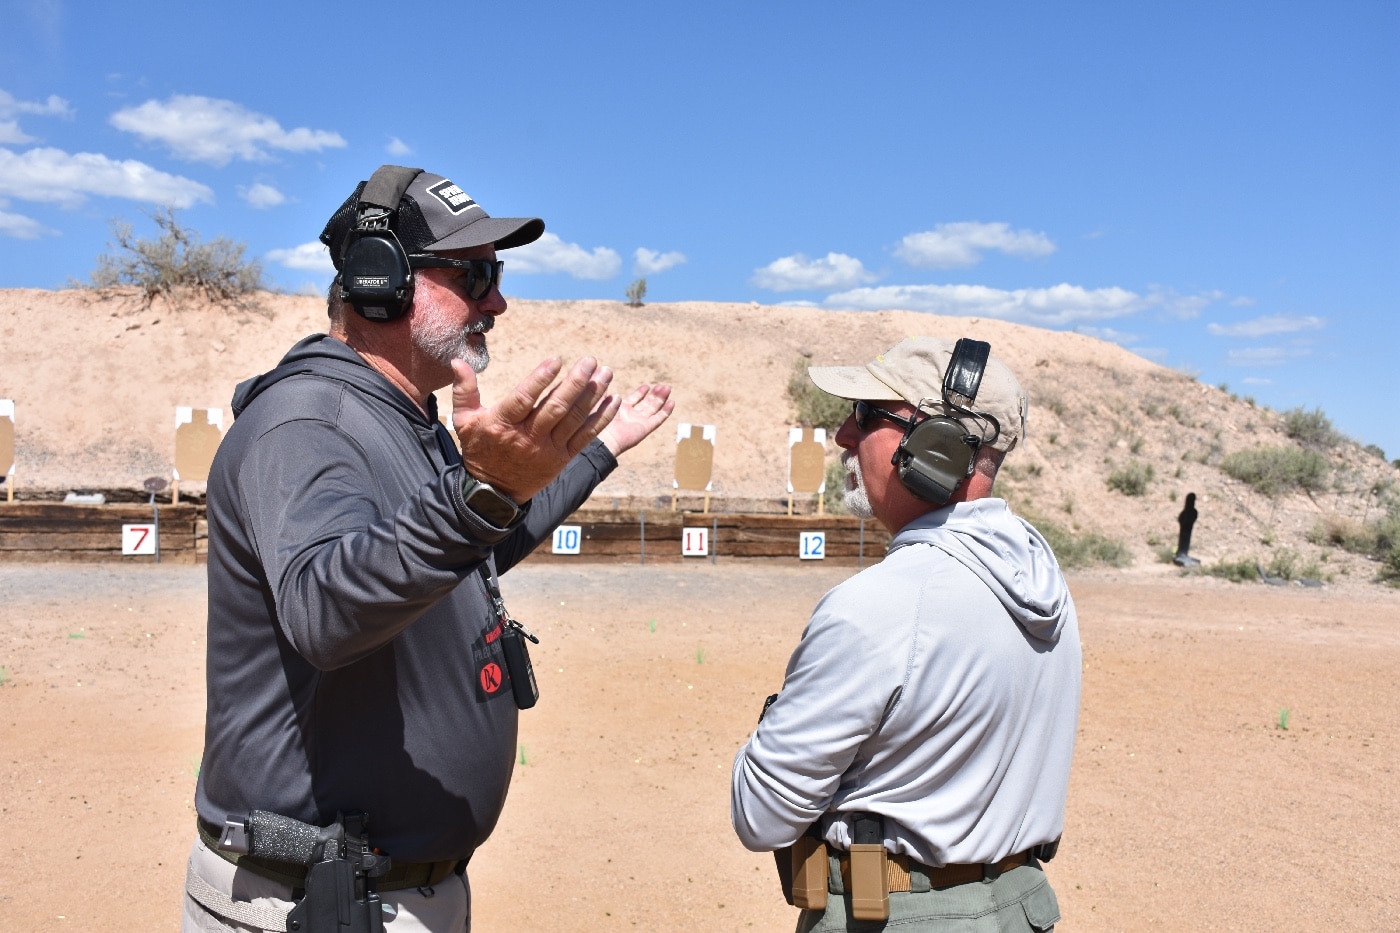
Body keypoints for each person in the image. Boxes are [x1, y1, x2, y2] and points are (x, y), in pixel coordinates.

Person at [182, 165, 673, 932]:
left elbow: (475, 539)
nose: (497, 301)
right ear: (379, 281)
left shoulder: (403, 417)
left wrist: (595, 451)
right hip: (312, 903)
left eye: (496, 274)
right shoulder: (309, 421)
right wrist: (476, 493)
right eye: (474, 276)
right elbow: (325, 608)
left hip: (378, 893)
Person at [731, 336, 1080, 932]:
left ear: (933, 449)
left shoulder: (882, 605)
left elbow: (761, 815)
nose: (844, 434)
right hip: (1019, 914)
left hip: (903, 919)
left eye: (866, 415)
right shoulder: (1041, 578)